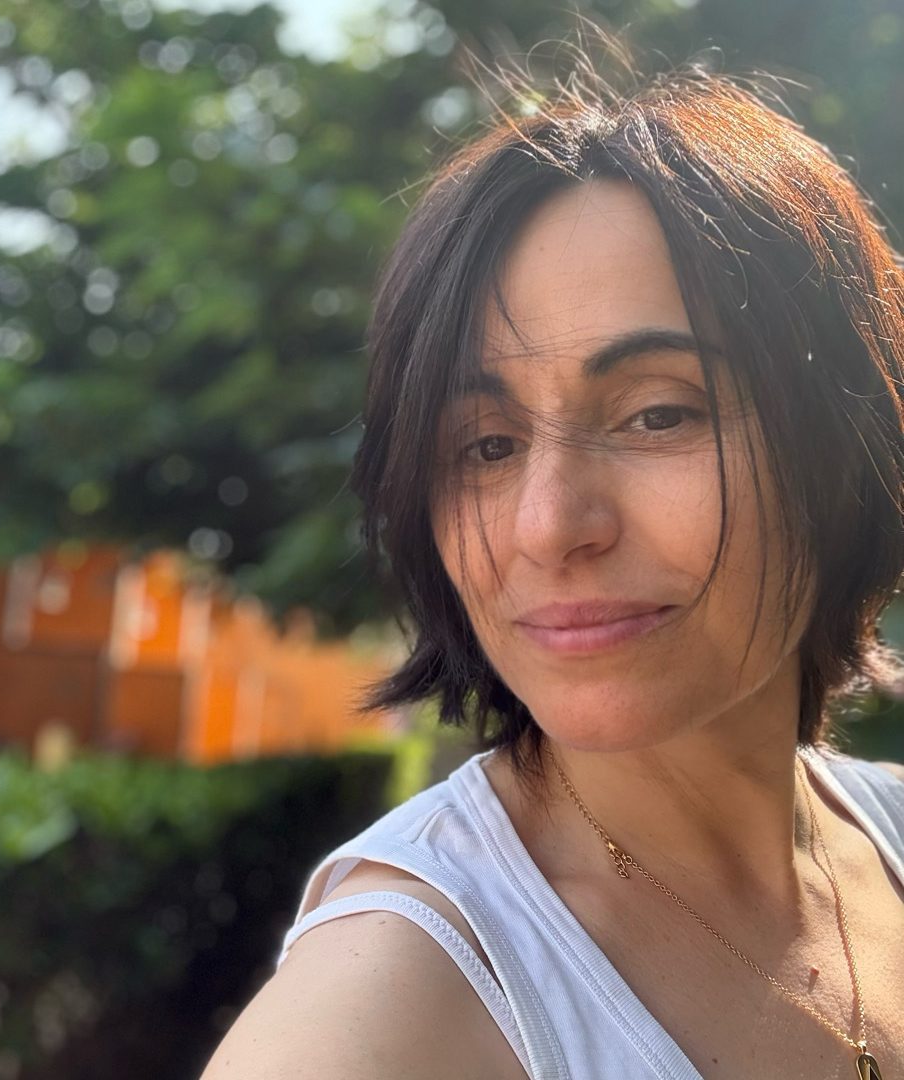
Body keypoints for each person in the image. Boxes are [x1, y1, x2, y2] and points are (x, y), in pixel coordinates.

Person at [200, 44, 904, 1080]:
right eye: (485, 445)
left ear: (847, 446)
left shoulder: (887, 832)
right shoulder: (379, 1012)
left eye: (657, 414)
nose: (547, 525)